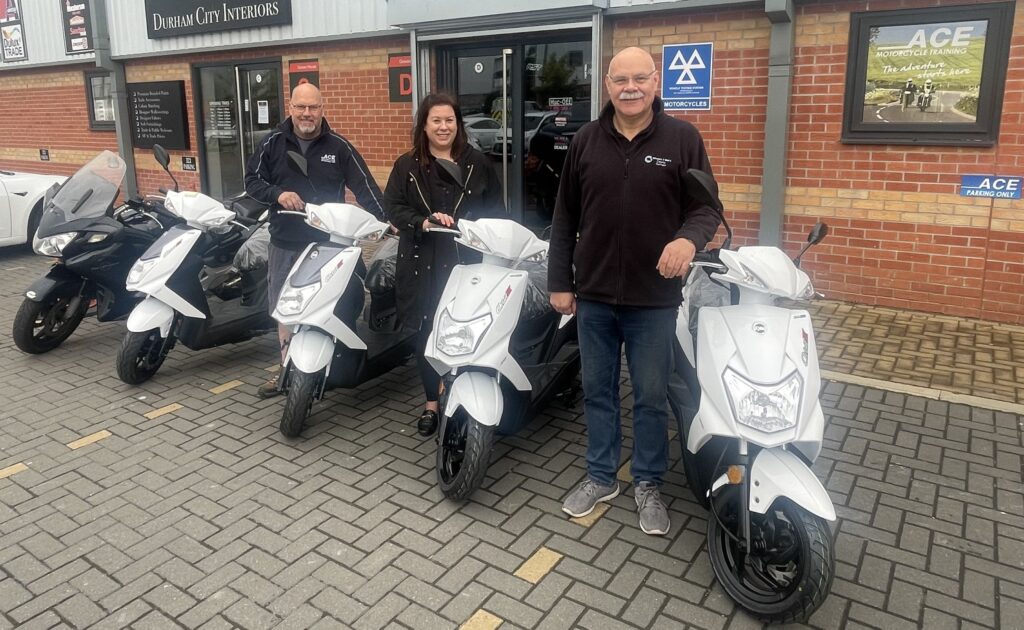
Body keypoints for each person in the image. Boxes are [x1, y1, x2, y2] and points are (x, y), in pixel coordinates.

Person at [548, 47, 720, 536]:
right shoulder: (584, 140)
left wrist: (688, 239)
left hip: (654, 299)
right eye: (620, 79)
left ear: (655, 82)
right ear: (606, 84)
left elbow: (707, 209)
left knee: (649, 396)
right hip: (595, 296)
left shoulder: (683, 139)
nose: (630, 88)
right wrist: (560, 281)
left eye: (639, 79)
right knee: (598, 392)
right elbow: (564, 218)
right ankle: (602, 476)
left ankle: (647, 483)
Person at [245, 83, 386, 398]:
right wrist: (277, 194)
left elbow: (366, 188)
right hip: (286, 240)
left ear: (322, 109)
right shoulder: (271, 143)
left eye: (313, 107)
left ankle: (325, 362)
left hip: (329, 244)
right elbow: (252, 180)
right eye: (301, 107)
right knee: (285, 307)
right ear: (291, 108)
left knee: (334, 304)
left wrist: (388, 220)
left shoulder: (339, 147)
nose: (306, 113)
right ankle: (286, 369)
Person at [384, 93, 504, 436]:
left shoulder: (477, 163)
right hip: (423, 262)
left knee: (467, 328)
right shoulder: (406, 165)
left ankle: (462, 393)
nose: (443, 126)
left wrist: (480, 233)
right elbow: (392, 206)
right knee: (428, 333)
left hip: (467, 263)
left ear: (458, 124)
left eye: (449, 120)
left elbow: (496, 210)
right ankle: (431, 404)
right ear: (424, 124)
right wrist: (422, 221)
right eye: (436, 120)